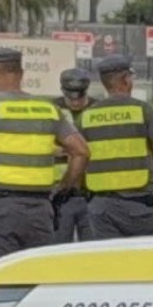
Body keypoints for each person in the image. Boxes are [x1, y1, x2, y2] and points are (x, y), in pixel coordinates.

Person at [0, 48, 90, 265]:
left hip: (0, 207)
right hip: (41, 209)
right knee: (36, 274)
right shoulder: (47, 110)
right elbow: (81, 152)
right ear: (21, 74)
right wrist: (63, 188)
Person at [69, 54, 153, 239]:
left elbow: (76, 159)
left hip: (100, 207)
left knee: (109, 257)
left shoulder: (86, 117)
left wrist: (79, 192)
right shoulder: (143, 111)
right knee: (141, 257)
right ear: (125, 80)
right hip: (138, 206)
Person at [51, 68, 97, 242]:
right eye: (71, 97)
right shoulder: (51, 110)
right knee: (58, 249)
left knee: (94, 250)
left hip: (92, 192)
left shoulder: (98, 109)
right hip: (60, 192)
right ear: (62, 91)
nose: (75, 102)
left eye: (80, 96)